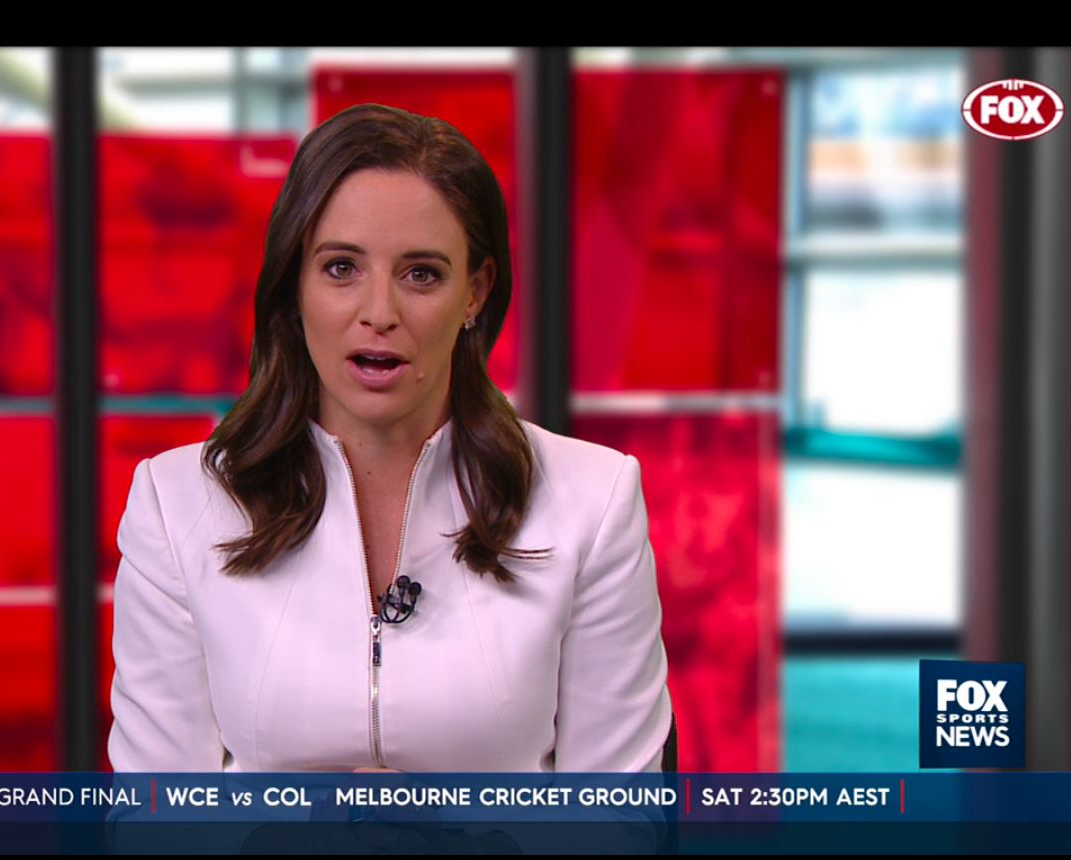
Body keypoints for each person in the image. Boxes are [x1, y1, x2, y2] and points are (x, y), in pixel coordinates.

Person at [108, 103, 672, 774]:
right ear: (294, 284)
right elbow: (155, 813)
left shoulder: (593, 503)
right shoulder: (176, 505)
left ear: (475, 293)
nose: (379, 313)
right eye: (341, 268)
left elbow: (621, 814)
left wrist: (446, 827)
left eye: (421, 274)